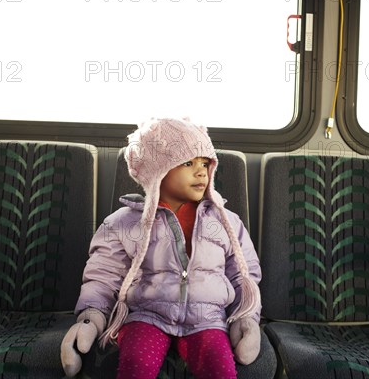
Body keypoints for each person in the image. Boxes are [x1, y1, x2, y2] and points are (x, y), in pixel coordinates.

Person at [61, 117, 262, 379]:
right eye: (188, 163)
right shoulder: (124, 223)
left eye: (205, 163)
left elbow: (244, 274)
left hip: (208, 318)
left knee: (221, 371)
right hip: (147, 315)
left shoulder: (225, 220)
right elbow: (103, 276)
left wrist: (245, 318)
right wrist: (91, 317)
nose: (202, 172)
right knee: (135, 365)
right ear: (158, 170)